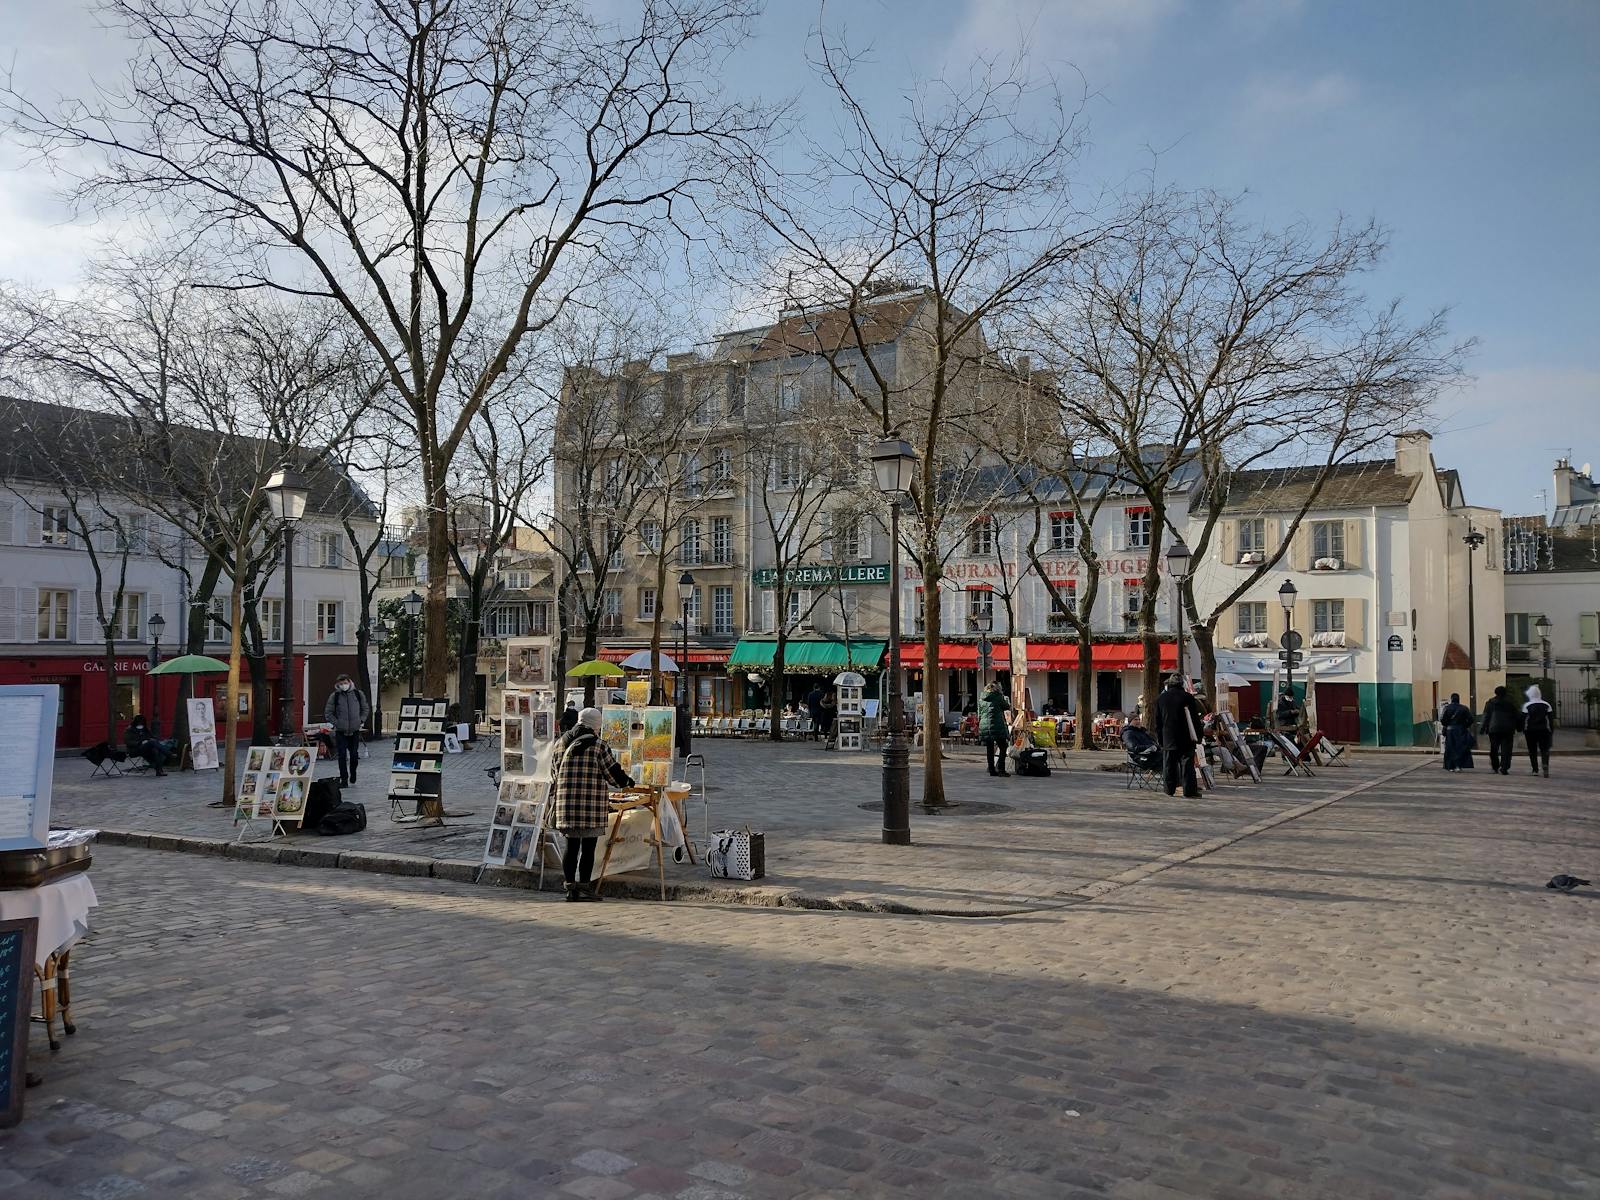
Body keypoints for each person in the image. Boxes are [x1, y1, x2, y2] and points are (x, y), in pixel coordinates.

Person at [549, 707, 634, 901]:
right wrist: (628, 782)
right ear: (596, 725)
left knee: (571, 847)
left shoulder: (560, 744)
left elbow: (553, 774)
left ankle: (570, 889)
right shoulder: (598, 745)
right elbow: (613, 774)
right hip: (590, 806)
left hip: (566, 805)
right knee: (588, 849)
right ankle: (585, 888)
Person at [1154, 675, 1204, 799]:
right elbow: (1195, 719)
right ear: (1182, 684)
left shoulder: (1161, 698)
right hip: (1186, 737)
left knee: (1169, 765)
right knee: (1187, 765)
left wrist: (1160, 738)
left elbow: (1157, 722)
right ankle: (1189, 791)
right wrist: (1199, 735)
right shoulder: (1188, 697)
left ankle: (1169, 789)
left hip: (1168, 737)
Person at [323, 673, 371, 787]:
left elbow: (365, 708)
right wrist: (337, 723)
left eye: (345, 683)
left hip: (354, 730)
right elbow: (328, 712)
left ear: (349, 682)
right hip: (341, 731)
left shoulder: (358, 694)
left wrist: (361, 720)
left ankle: (353, 773)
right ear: (338, 685)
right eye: (341, 684)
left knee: (354, 755)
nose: (343, 685)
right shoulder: (335, 696)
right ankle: (344, 779)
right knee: (342, 756)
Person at [1481, 686, 1521, 776]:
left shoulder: (1490, 703)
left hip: (1493, 728)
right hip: (1508, 729)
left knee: (1494, 748)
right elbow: (1517, 716)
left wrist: (1483, 728)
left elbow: (1486, 716)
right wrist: (1519, 727)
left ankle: (1495, 766)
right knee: (1506, 749)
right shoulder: (1510, 703)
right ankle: (1504, 767)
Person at [977, 681, 1013, 777]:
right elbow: (1007, 706)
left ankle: (992, 770)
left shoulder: (981, 699)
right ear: (997, 689)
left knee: (990, 749)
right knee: (1003, 746)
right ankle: (1001, 769)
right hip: (996, 725)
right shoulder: (998, 697)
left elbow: (979, 713)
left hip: (984, 726)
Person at [1522, 684, 1555, 777]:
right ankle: (1545, 764)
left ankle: (1535, 769)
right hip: (1544, 730)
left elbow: (1523, 719)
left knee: (1532, 750)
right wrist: (1551, 731)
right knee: (1544, 750)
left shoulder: (1527, 705)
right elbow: (1551, 720)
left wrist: (1523, 730)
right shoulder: (1547, 704)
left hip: (1531, 730)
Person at [1439, 692, 1475, 771]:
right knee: (1460, 747)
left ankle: (1450, 766)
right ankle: (1459, 765)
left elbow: (1442, 720)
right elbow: (1471, 719)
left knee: (1450, 748)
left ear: (1451, 699)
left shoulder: (1447, 708)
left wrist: (1447, 725)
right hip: (1461, 730)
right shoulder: (1464, 708)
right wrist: (1465, 726)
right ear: (1459, 699)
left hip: (1450, 731)